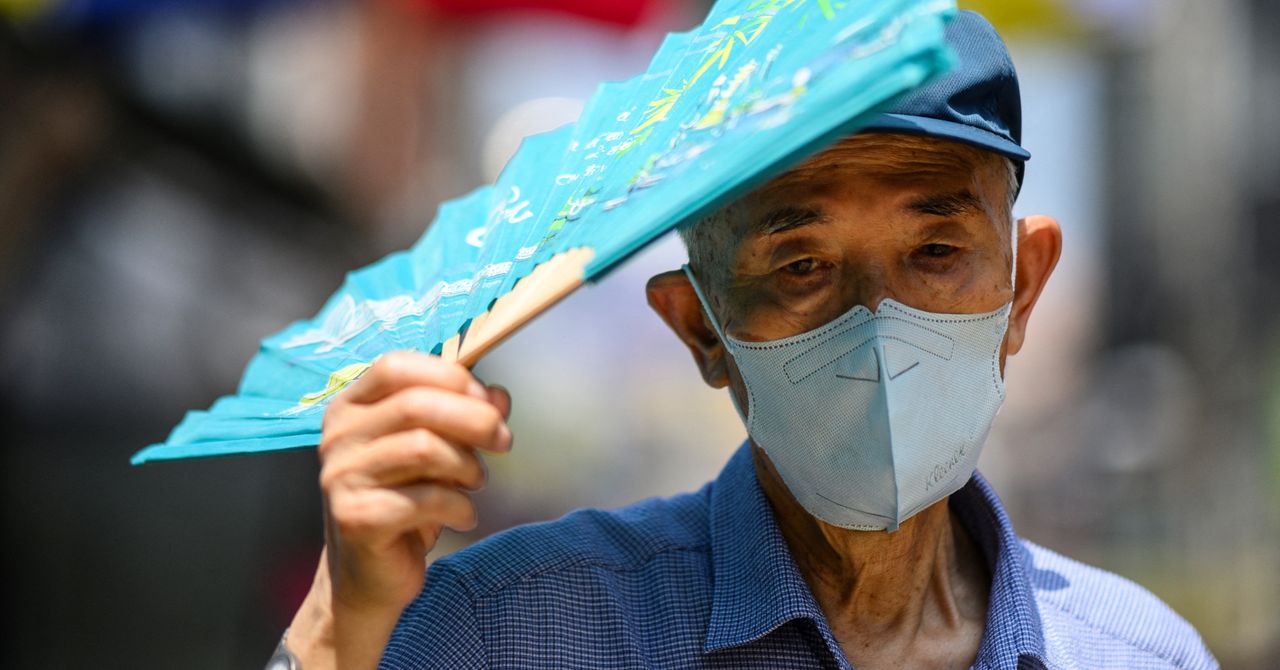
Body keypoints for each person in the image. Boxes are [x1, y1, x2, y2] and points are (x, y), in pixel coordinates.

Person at [271, 11, 1218, 670]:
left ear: (1021, 288)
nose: (878, 322)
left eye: (935, 252)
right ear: (702, 326)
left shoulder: (1141, 655)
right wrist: (337, 623)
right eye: (801, 265)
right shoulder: (507, 633)